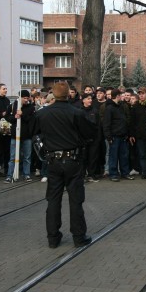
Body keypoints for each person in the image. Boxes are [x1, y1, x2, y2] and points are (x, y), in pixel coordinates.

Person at [31, 82, 97, 248]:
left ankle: (52, 237)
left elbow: (34, 134)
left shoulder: (42, 114)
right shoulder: (76, 113)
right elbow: (90, 132)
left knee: (53, 199)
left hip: (53, 161)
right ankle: (78, 236)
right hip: (73, 160)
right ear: (69, 94)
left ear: (53, 94)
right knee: (76, 200)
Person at [103, 89, 134, 182]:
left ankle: (125, 172)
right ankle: (113, 173)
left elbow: (124, 120)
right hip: (114, 136)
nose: (122, 97)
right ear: (117, 96)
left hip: (123, 135)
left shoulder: (121, 106)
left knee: (124, 156)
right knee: (113, 156)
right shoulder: (109, 108)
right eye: (121, 95)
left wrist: (127, 133)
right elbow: (106, 124)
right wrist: (109, 137)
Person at [5, 90, 35, 183]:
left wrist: (23, 115)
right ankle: (10, 175)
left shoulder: (31, 107)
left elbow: (32, 119)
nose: (26, 100)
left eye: (27, 98)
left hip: (27, 136)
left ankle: (26, 174)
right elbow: (7, 117)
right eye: (24, 98)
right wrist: (15, 117)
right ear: (20, 97)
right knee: (13, 156)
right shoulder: (13, 106)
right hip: (15, 135)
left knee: (27, 156)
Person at [129, 87, 146, 178]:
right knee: (142, 154)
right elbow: (132, 121)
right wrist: (132, 134)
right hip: (139, 135)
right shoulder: (136, 106)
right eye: (139, 94)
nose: (141, 95)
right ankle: (145, 171)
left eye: (143, 93)